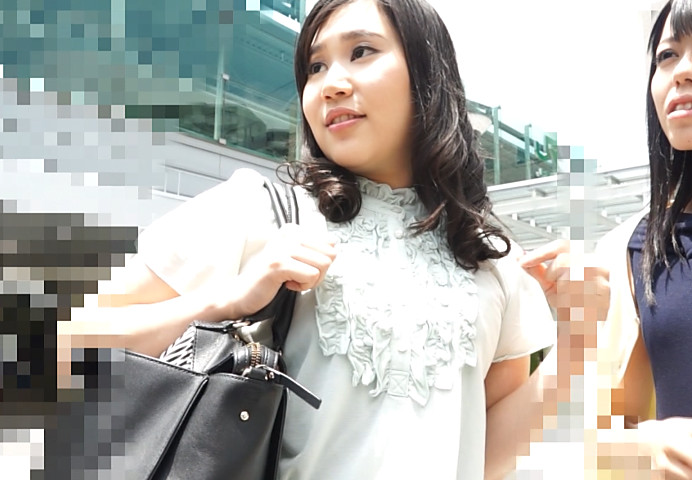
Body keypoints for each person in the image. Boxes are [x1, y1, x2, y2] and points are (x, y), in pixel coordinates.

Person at [62, 0, 556, 478]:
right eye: (315, 67)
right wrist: (226, 300)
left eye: (361, 51)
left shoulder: (488, 257)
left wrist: (580, 341)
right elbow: (65, 343)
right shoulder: (259, 210)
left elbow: (482, 456)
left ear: (429, 72)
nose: (330, 84)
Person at [523, 0, 692, 478]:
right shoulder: (630, 253)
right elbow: (582, 440)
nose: (683, 71)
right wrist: (644, 449)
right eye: (667, 55)